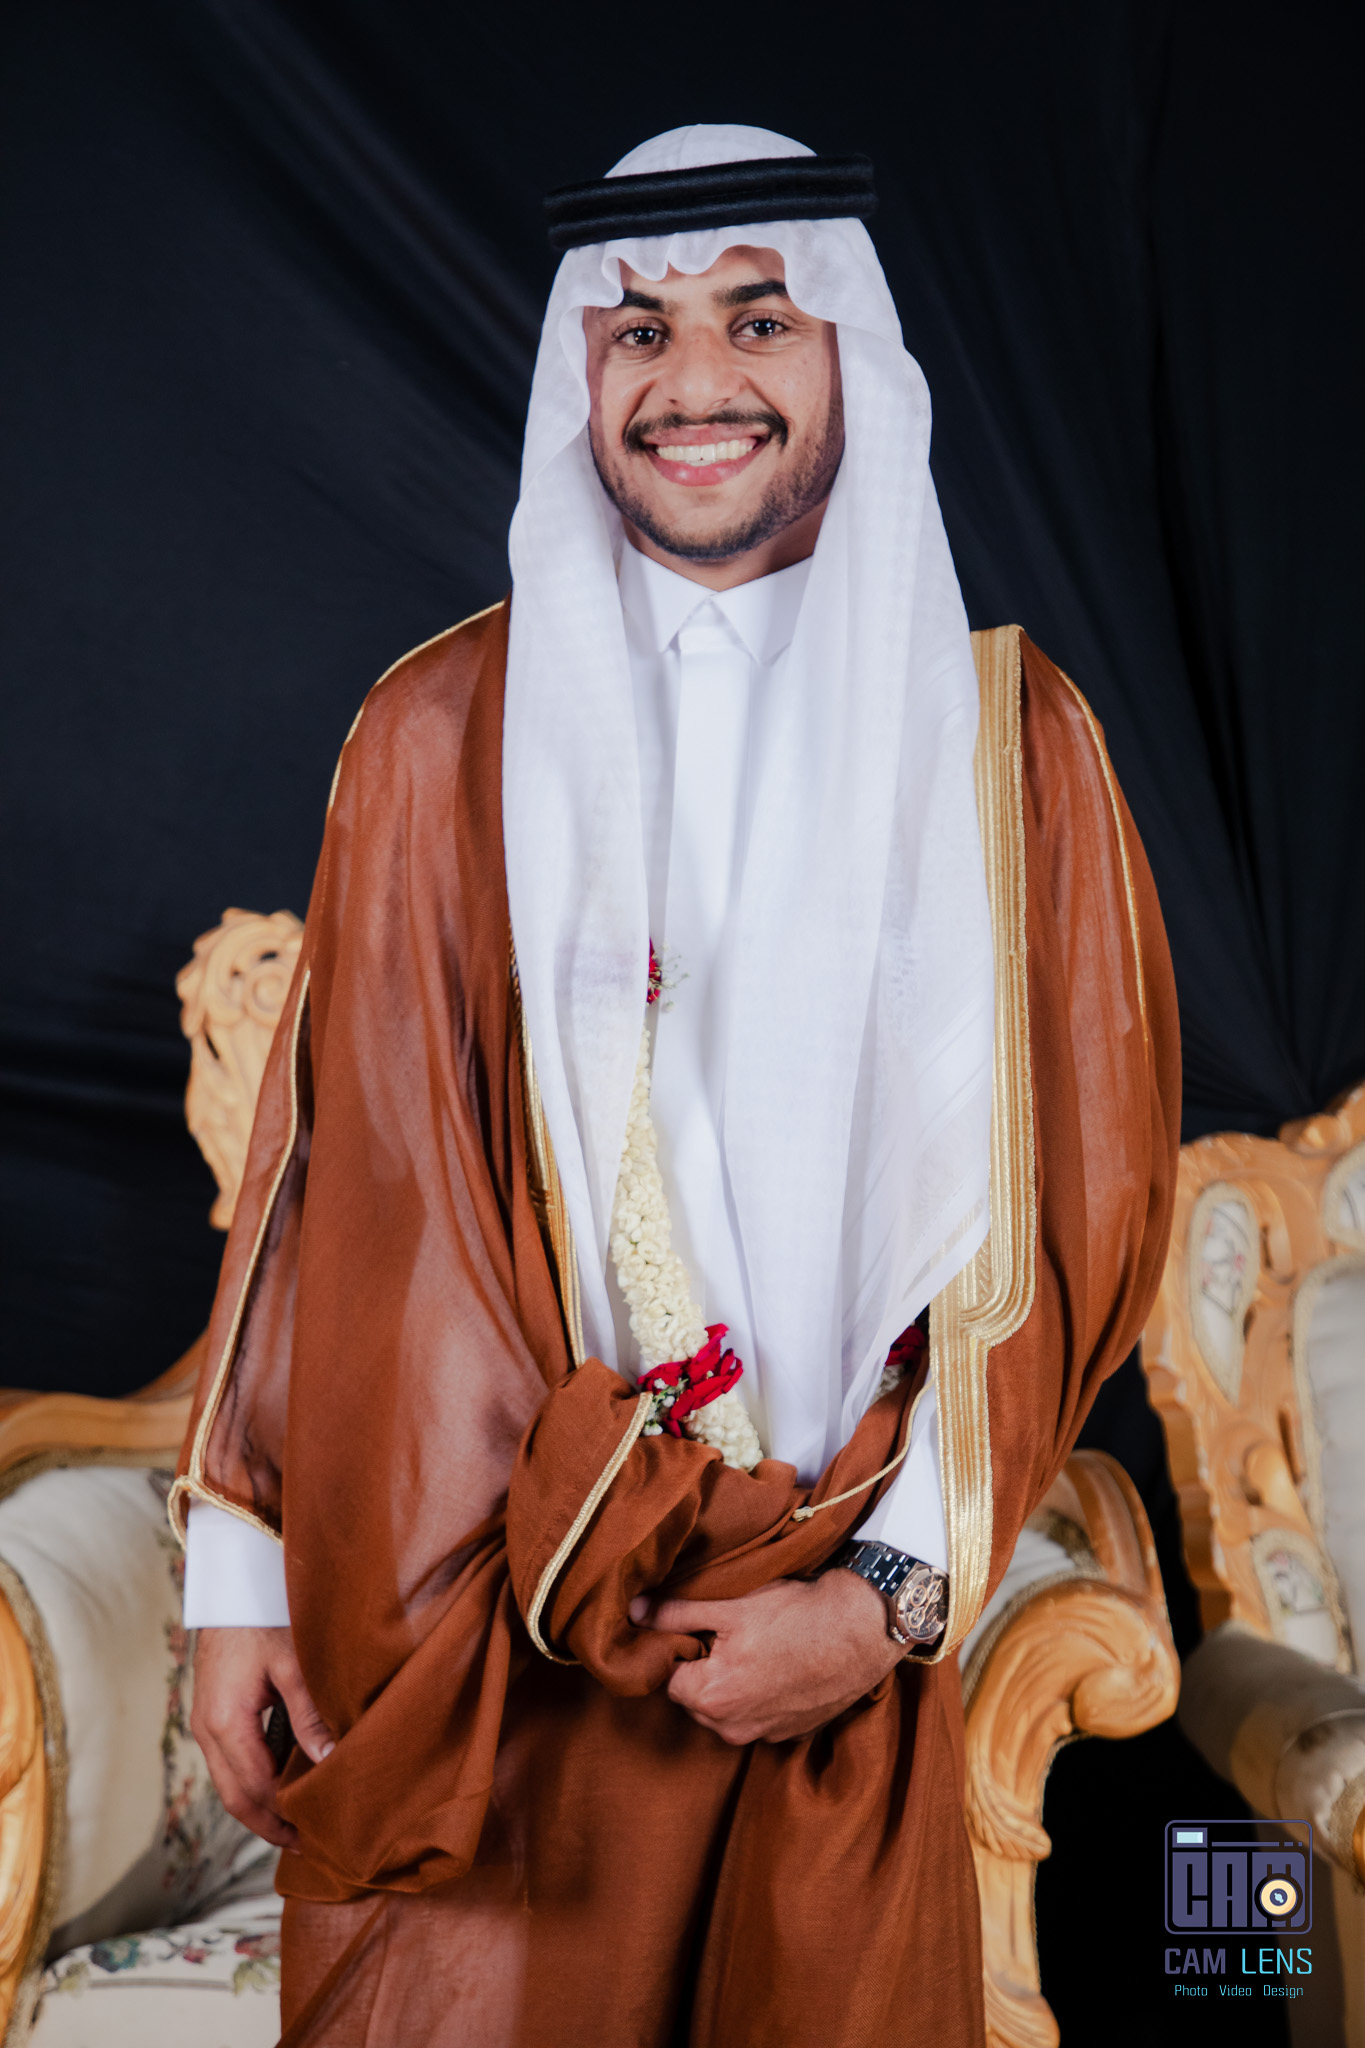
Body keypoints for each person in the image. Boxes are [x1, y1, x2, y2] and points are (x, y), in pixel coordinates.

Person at [172, 124, 1180, 2046]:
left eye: (756, 320)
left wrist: (879, 1603)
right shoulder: (436, 728)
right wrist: (238, 1575)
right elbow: (333, 1177)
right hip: (492, 1623)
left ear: (850, 359)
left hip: (811, 1637)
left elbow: (1074, 1220)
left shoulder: (1009, 749)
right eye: (638, 330)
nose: (693, 378)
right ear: (582, 370)